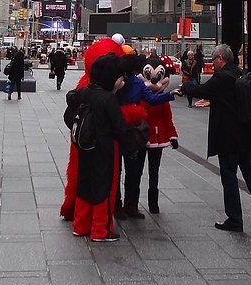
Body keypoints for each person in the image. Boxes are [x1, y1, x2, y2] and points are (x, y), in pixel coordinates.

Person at [176, 43, 251, 233]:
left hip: (229, 137)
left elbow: (201, 90)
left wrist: (185, 86)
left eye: (213, 60)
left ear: (220, 59)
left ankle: (235, 219)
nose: (212, 64)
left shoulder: (222, 77)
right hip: (247, 135)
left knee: (229, 176)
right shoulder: (239, 73)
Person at [64, 54, 146, 241]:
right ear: (110, 78)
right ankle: (101, 231)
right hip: (104, 150)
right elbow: (119, 128)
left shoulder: (84, 92)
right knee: (103, 190)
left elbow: (70, 115)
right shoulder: (109, 100)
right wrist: (132, 147)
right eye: (120, 78)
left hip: (84, 148)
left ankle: (80, 225)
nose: (122, 81)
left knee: (85, 186)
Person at [119, 53, 177, 217]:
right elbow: (151, 99)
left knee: (142, 171)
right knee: (132, 171)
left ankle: (138, 204)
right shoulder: (134, 86)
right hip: (135, 135)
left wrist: (170, 95)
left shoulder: (138, 85)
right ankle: (128, 205)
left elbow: (161, 110)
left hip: (146, 137)